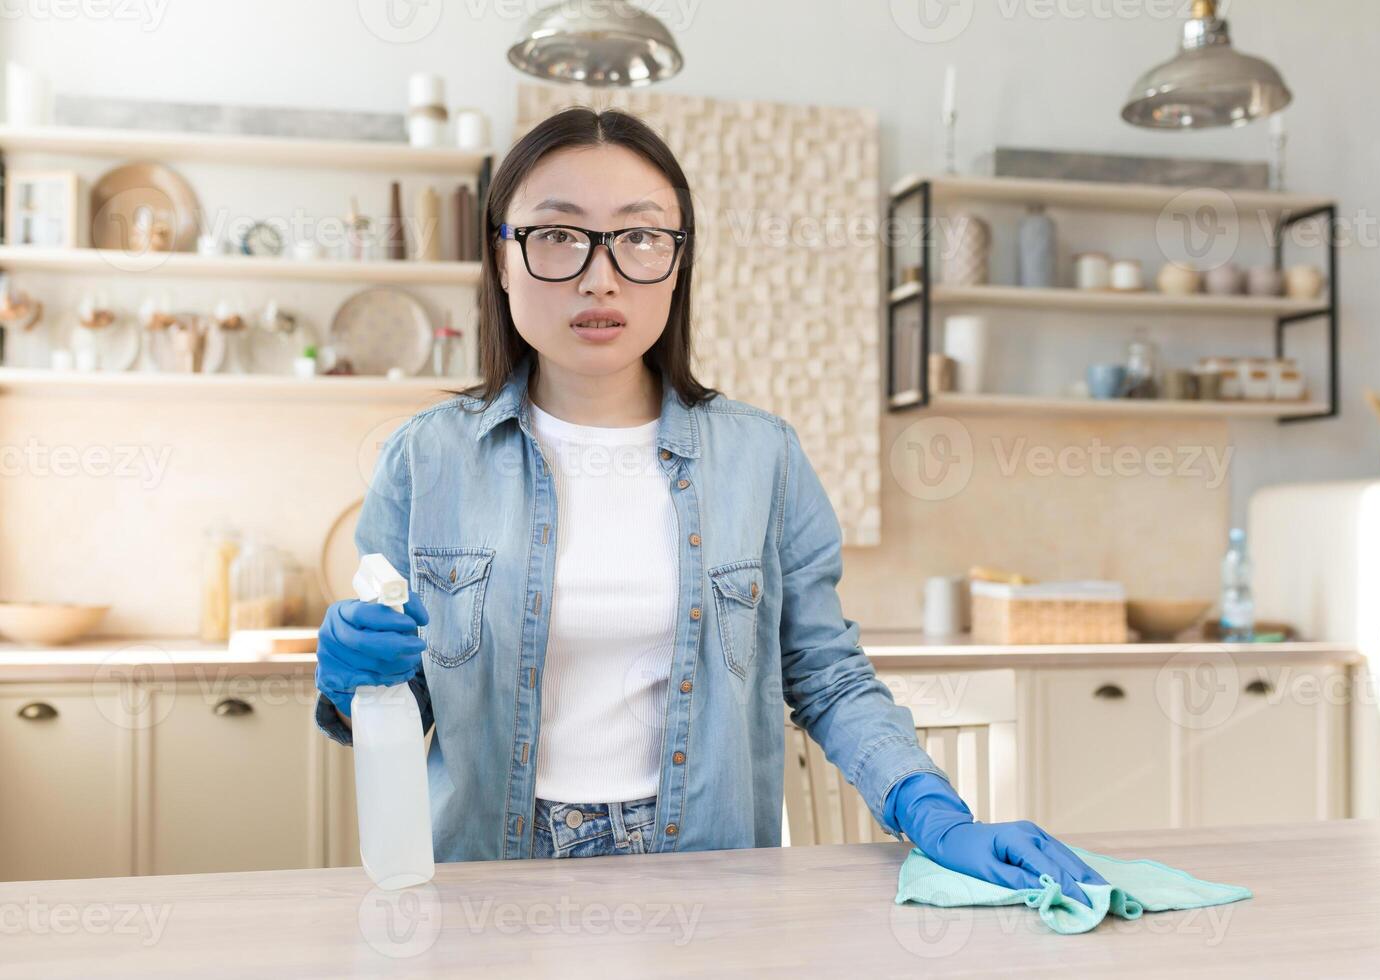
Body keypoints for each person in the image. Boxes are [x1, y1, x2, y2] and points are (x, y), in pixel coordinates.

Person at [314, 105, 1107, 903]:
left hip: (707, 876)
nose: (601, 275)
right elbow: (389, 708)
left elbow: (826, 676)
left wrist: (935, 814)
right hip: (485, 882)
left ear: (679, 260)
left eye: (639, 236)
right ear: (502, 256)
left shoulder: (762, 457)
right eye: (558, 235)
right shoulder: (425, 459)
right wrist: (354, 684)